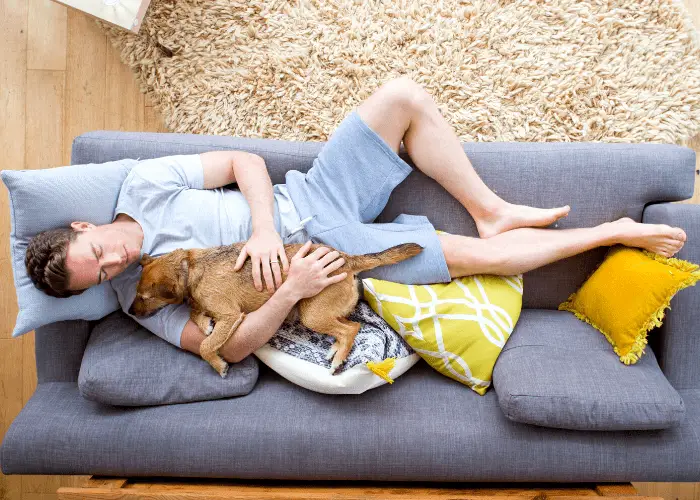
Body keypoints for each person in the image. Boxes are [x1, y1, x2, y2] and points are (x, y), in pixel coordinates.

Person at [25, 77, 686, 364]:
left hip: (305, 196)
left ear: (86, 226)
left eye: (103, 253)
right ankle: (610, 234)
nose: (116, 265)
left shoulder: (142, 183)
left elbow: (243, 161)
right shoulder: (135, 299)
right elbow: (221, 348)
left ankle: (491, 209)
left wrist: (261, 228)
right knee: (477, 261)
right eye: (100, 278)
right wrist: (288, 288)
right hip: (324, 259)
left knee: (402, 96)